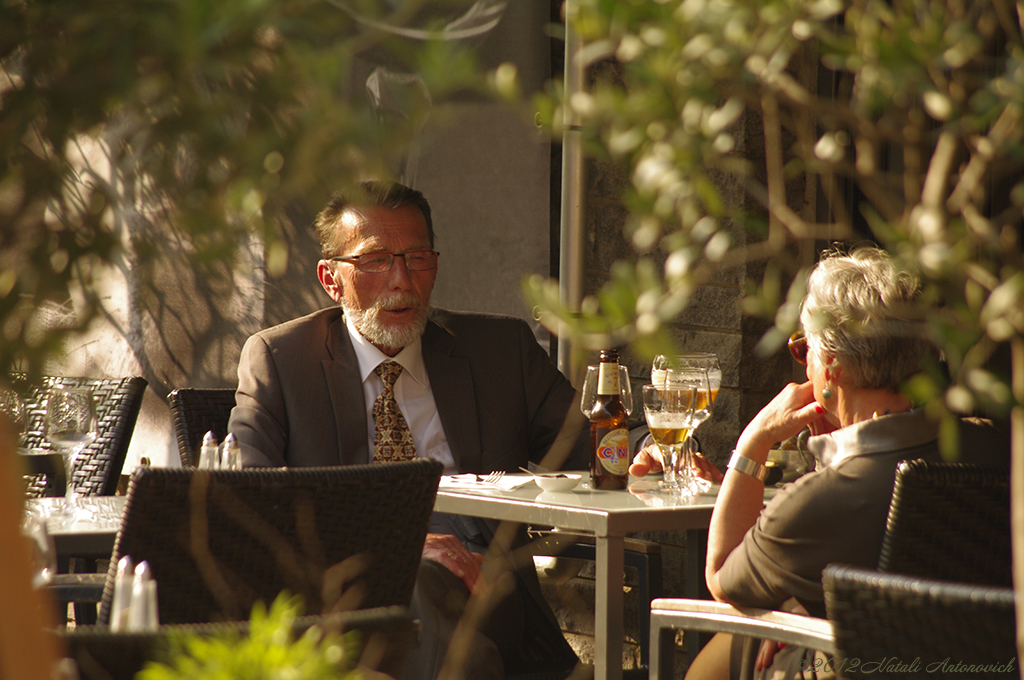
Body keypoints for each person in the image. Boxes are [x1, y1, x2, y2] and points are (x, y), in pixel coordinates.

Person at [228, 180, 587, 680]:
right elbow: (248, 495)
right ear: (331, 280)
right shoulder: (281, 360)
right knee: (413, 585)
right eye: (375, 261)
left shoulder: (498, 351)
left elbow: (589, 438)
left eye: (417, 258)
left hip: (482, 579)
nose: (401, 280)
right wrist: (393, 541)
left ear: (434, 265)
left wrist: (652, 452)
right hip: (346, 588)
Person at [632, 246, 981, 679]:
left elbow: (721, 576)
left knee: (720, 655)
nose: (804, 368)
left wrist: (753, 440)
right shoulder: (987, 443)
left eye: (804, 352)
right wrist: (802, 599)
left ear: (831, 367)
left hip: (848, 660)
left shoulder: (828, 498)